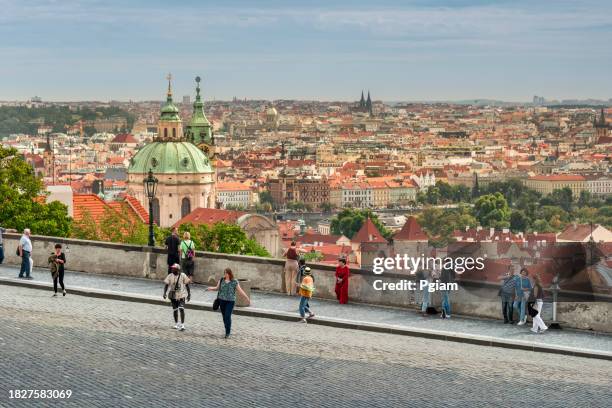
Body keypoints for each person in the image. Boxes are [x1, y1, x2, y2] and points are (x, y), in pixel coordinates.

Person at [207, 268, 250, 338]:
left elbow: (240, 291)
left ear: (230, 274)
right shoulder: (221, 280)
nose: (225, 275)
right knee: (224, 317)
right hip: (221, 300)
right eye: (224, 273)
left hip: (230, 301)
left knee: (227, 316)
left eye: (227, 273)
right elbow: (217, 288)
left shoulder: (234, 282)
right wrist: (210, 288)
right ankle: (226, 329)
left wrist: (246, 297)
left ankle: (228, 332)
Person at [162, 263, 191, 331]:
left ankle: (182, 325)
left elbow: (187, 285)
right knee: (175, 310)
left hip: (181, 295)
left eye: (174, 268)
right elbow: (166, 285)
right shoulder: (170, 276)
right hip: (173, 295)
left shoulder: (183, 275)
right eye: (172, 268)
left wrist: (189, 294)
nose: (172, 269)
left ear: (177, 269)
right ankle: (176, 324)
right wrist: (164, 293)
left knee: (181, 308)